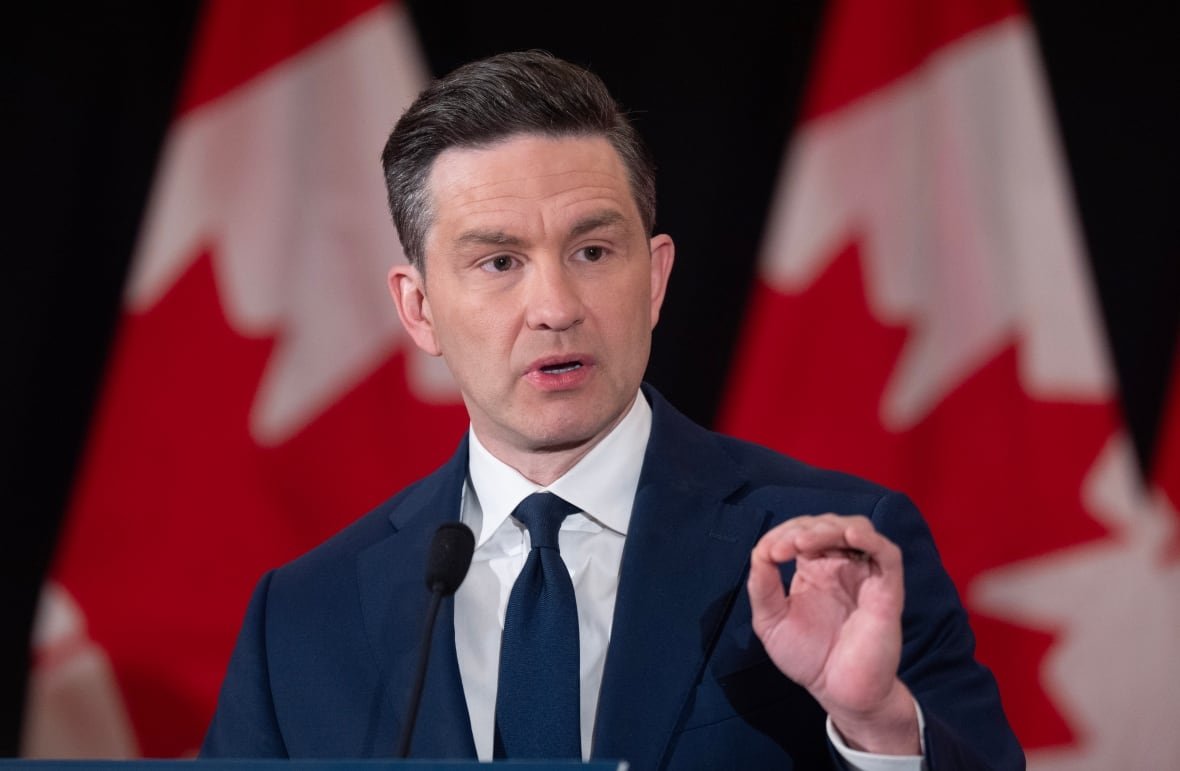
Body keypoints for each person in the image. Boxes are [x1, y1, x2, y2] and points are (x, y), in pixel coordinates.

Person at [201, 50, 1023, 769]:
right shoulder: (301, 622)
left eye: (593, 251)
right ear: (417, 309)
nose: (555, 305)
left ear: (656, 276)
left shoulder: (835, 555)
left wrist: (876, 726)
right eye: (498, 261)